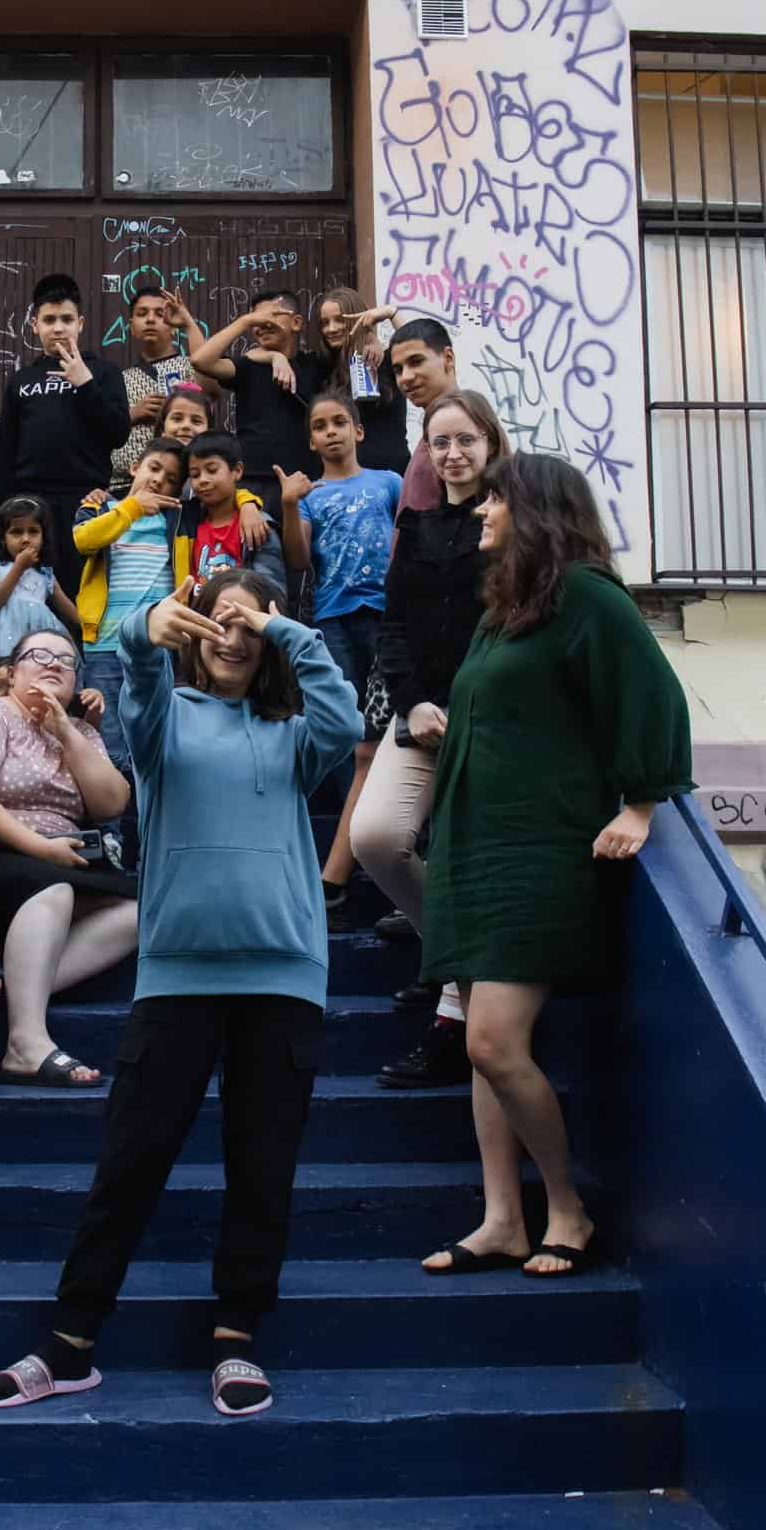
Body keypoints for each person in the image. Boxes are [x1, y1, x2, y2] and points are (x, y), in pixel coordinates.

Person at [0, 570, 361, 1417]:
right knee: (131, 1163)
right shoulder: (165, 723)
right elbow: (141, 675)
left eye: (248, 625)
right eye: (218, 620)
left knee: (261, 1169)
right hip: (180, 976)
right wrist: (149, 626)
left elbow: (347, 719)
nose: (232, 636)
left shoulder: (295, 732)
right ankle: (70, 1341)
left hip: (283, 978)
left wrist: (280, 625)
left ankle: (237, 1338)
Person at [419, 453, 692, 1279]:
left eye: (496, 497)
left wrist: (641, 805)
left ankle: (565, 1206)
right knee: (477, 1039)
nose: (481, 510)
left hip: (540, 851)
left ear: (536, 508)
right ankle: (502, 1217)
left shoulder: (588, 597)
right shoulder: (507, 608)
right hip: (477, 846)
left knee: (498, 1042)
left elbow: (655, 699)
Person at [352, 391, 508, 1090]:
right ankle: (450, 955)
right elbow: (392, 628)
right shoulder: (414, 526)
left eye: (465, 440)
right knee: (376, 838)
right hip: (418, 719)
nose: (452, 454)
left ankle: (450, 1021)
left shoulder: (512, 525)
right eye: (438, 442)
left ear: (490, 442)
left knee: (461, 862)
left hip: (492, 724)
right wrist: (412, 703)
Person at [0, 628, 137, 1087]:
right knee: (53, 888)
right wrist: (40, 849)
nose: (54, 663)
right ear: (13, 672)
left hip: (65, 855)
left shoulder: (79, 732)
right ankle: (25, 1042)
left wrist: (67, 732)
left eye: (66, 660)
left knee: (143, 910)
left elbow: (111, 804)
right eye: (39, 656)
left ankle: (10, 984)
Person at [276, 391, 401, 927]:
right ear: (310, 440)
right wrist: (287, 503)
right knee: (352, 728)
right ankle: (359, 838)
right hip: (333, 617)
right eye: (320, 427)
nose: (330, 433)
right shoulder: (310, 495)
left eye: (339, 423)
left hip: (387, 617)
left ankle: (379, 839)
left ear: (359, 431)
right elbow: (299, 558)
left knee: (390, 725)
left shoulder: (389, 483)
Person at [0, 273, 131, 601]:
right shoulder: (22, 379)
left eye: (67, 319)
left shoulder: (104, 372)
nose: (58, 328)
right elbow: (6, 448)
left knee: (81, 593)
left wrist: (85, 383)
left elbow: (118, 433)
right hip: (31, 504)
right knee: (33, 592)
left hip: (85, 501)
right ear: (34, 325)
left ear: (80, 323)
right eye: (49, 320)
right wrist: (6, 508)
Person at [72, 438, 189, 776]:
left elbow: (228, 496)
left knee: (156, 739)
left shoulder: (179, 520)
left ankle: (152, 823)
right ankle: (112, 827)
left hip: (157, 645)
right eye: (153, 469)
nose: (158, 481)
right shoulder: (101, 509)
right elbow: (83, 540)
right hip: (105, 645)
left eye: (170, 479)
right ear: (134, 467)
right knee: (108, 742)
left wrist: (249, 500)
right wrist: (132, 507)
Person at [190, 289, 324, 511]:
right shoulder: (247, 366)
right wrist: (245, 322)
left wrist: (369, 340)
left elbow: (346, 347)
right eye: (258, 319)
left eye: (273, 315)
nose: (263, 323)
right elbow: (201, 360)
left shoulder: (314, 364)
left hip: (303, 479)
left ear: (297, 322)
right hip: (252, 482)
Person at [109, 285, 214, 488]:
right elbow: (105, 430)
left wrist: (188, 324)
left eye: (160, 314)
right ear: (131, 326)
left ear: (173, 326)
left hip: (181, 484)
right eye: (142, 314)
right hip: (123, 484)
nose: (150, 319)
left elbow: (210, 389)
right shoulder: (119, 378)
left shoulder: (188, 366)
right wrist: (133, 415)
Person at [310, 286, 410, 475]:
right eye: (324, 323)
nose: (330, 329)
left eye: (340, 320)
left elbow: (415, 343)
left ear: (359, 317)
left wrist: (390, 313)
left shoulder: (384, 361)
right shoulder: (320, 367)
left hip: (392, 475)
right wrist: (276, 358)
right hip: (344, 479)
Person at [184, 431, 287, 597]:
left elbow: (272, 590)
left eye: (212, 470)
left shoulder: (258, 524)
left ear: (237, 471)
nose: (202, 479)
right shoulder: (187, 523)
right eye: (195, 475)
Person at [0, 494, 82, 661]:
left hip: (40, 643)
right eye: (16, 532)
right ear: (2, 538)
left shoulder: (45, 574)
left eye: (34, 532)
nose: (26, 539)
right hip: (5, 642)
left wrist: (95, 629)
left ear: (43, 538)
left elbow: (72, 613)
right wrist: (19, 568)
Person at [389, 319, 459, 517]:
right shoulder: (437, 425)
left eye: (416, 362)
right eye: (398, 370)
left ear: (448, 358)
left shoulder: (460, 426)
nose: (405, 377)